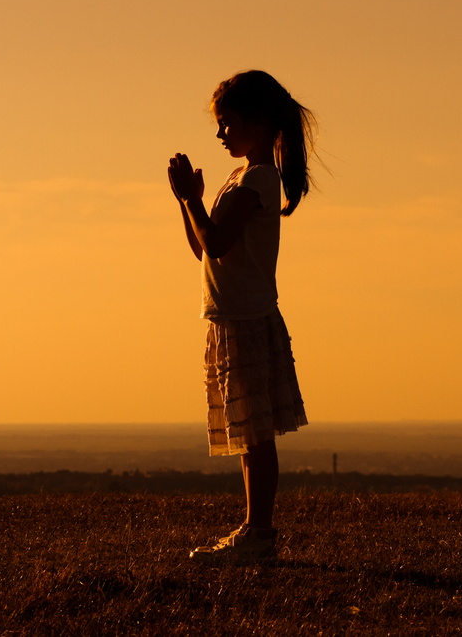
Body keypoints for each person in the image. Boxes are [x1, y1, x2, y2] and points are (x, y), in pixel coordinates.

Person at [168, 70, 316, 563]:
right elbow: (204, 251)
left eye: (227, 124)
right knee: (249, 434)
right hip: (230, 317)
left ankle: (260, 533)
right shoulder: (239, 178)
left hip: (247, 320)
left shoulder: (258, 178)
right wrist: (185, 202)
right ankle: (255, 530)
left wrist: (191, 198)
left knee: (256, 434)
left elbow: (217, 241)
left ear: (257, 122)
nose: (220, 134)